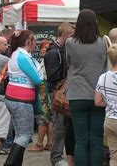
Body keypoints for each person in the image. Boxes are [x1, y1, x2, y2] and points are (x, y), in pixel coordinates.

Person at [65, 9, 108, 166]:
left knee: (81, 139)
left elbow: (69, 63)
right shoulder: (103, 42)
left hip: (77, 94)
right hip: (99, 94)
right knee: (96, 140)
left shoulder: (70, 43)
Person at [3, 30, 43, 166]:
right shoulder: (23, 57)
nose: (35, 43)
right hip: (22, 99)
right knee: (25, 135)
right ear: (28, 42)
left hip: (12, 97)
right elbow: (37, 80)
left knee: (20, 135)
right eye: (33, 40)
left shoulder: (15, 54)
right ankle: (9, 163)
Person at [94, 44, 117, 166]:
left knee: (115, 157)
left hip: (109, 120)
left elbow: (98, 102)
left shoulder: (103, 77)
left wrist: (111, 102)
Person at [45, 22, 74, 166]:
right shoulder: (53, 52)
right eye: (71, 35)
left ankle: (58, 156)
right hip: (56, 92)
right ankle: (56, 157)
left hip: (60, 91)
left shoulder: (60, 50)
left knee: (62, 125)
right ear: (64, 35)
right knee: (59, 126)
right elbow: (52, 76)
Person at [28, 40, 53, 152]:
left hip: (43, 88)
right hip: (45, 88)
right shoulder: (43, 60)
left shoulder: (47, 60)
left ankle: (39, 144)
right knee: (48, 117)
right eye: (43, 47)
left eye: (47, 47)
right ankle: (49, 143)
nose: (44, 49)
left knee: (42, 116)